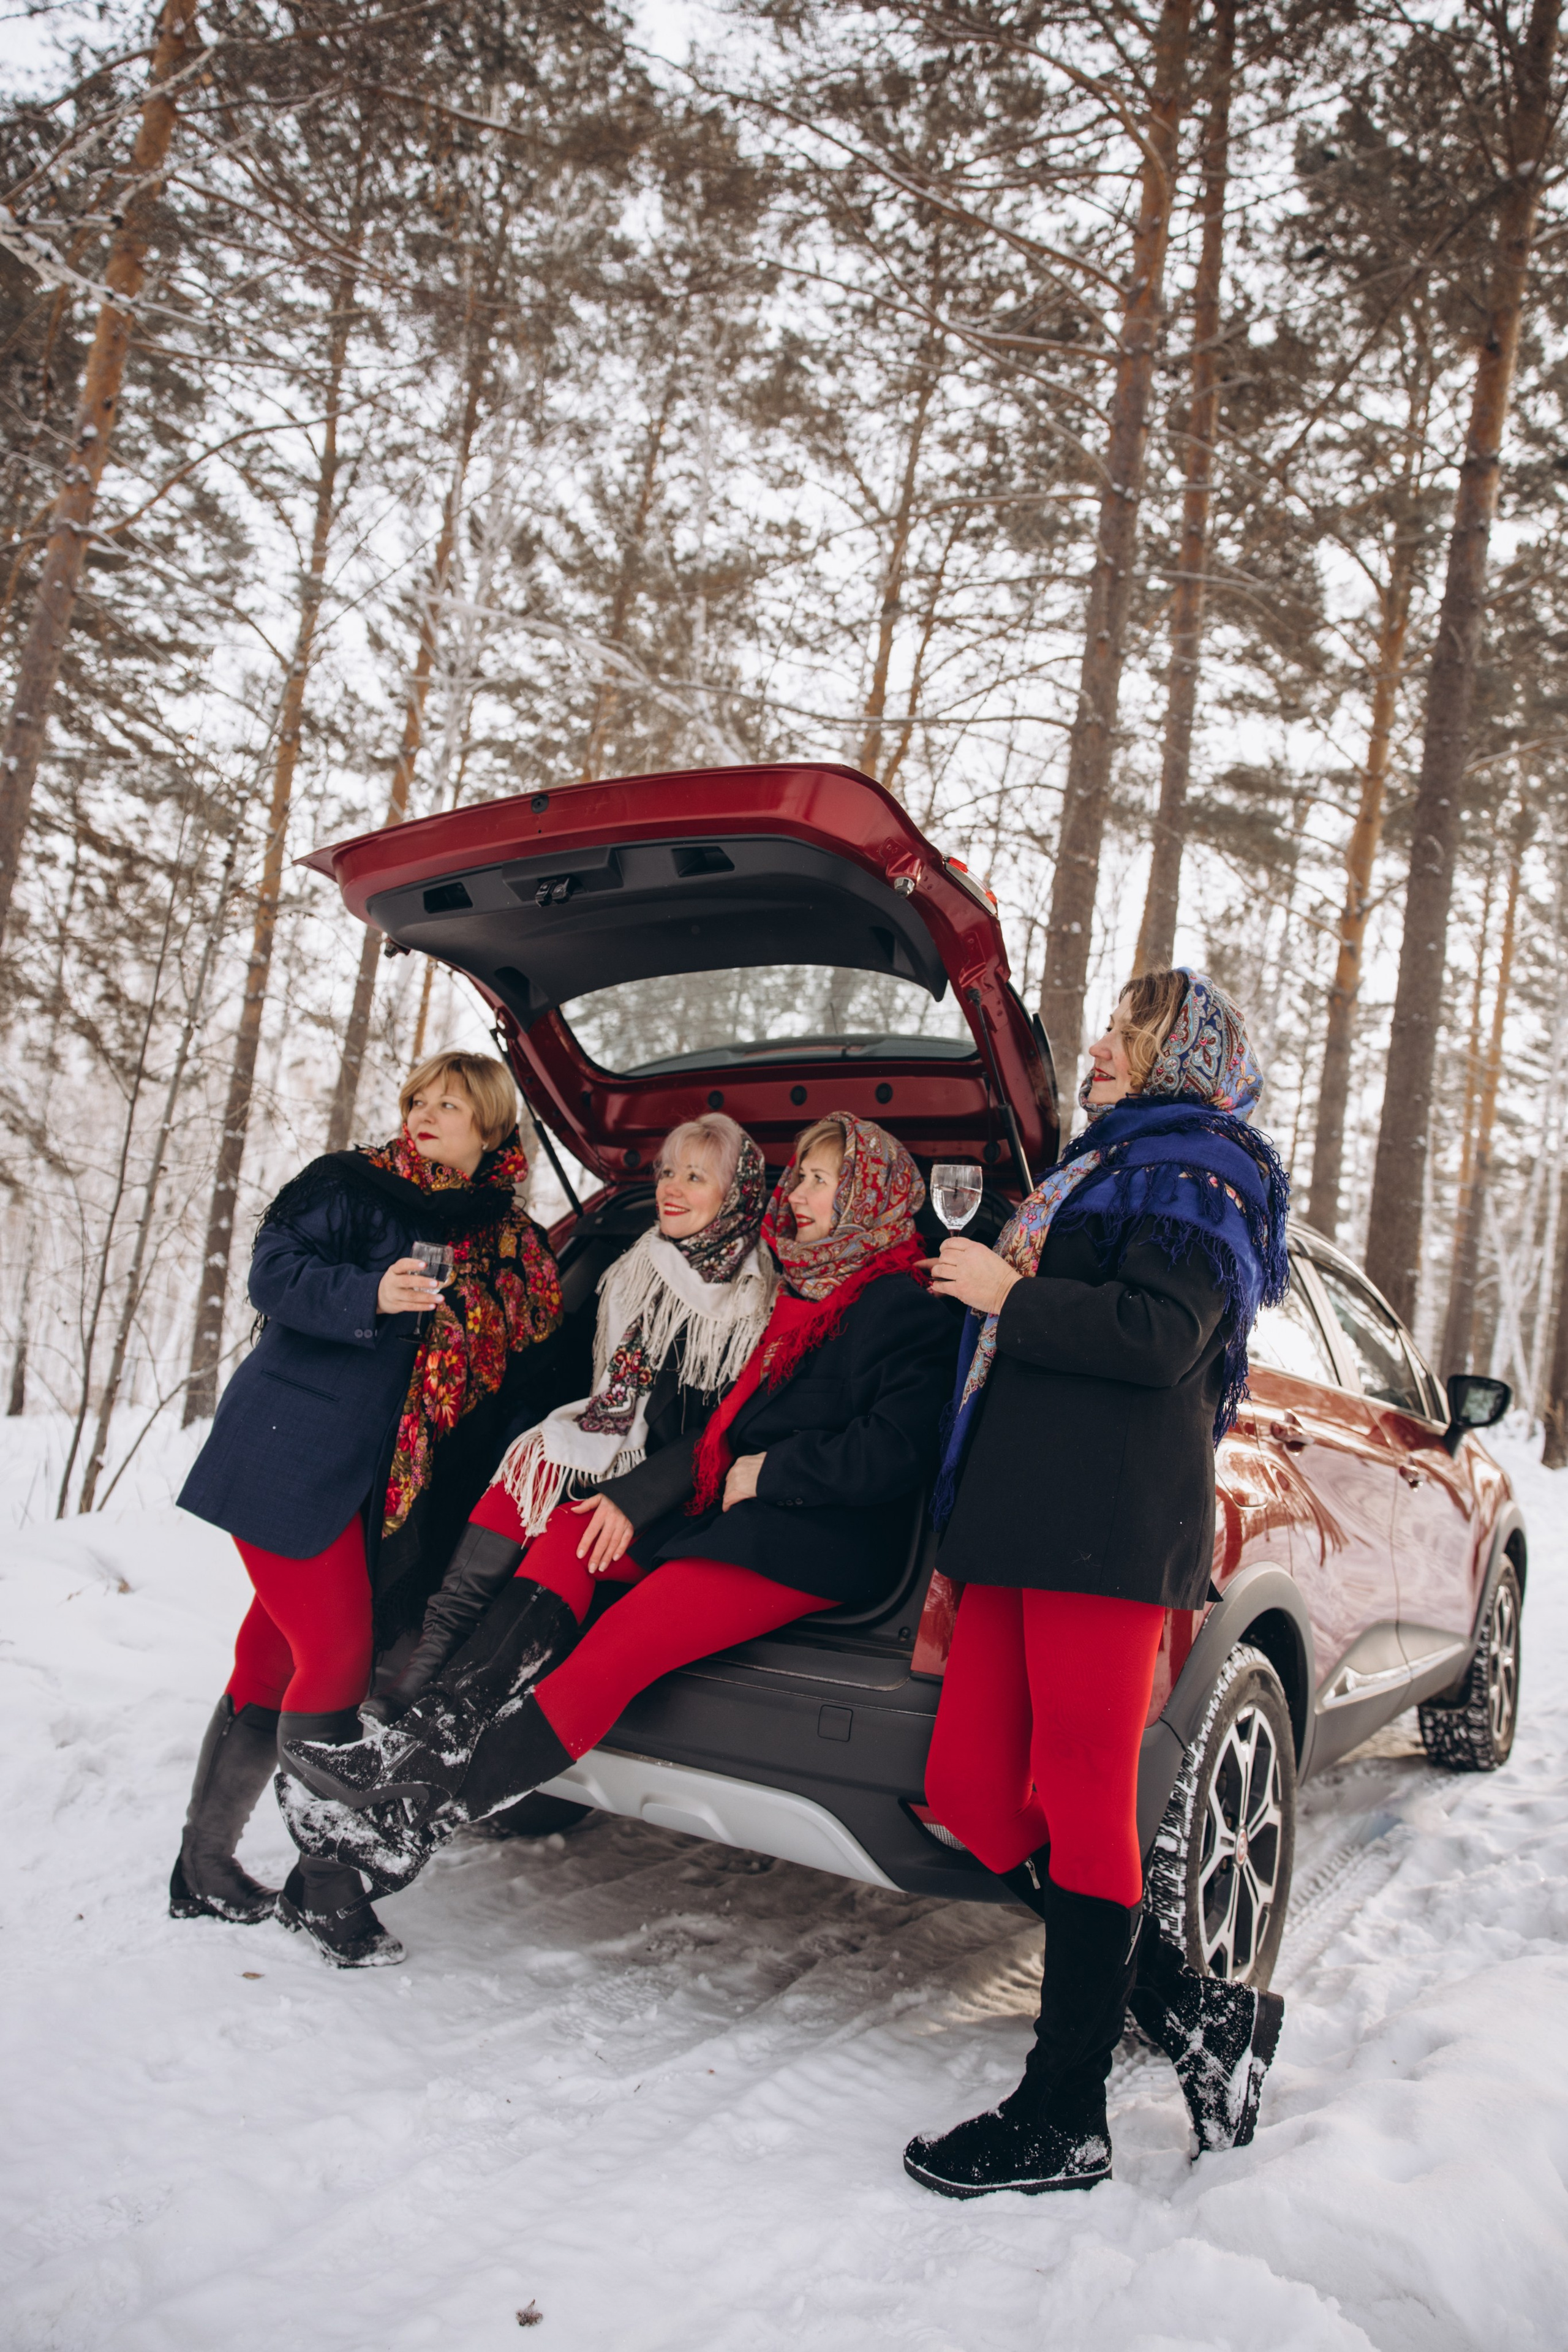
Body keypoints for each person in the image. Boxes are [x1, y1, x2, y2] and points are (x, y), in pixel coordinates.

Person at [276, 1113, 957, 1897]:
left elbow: (898, 1449)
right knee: (573, 1532)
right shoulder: (800, 1284)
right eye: (795, 1174)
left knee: (616, 1649)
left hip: (810, 1537)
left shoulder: (905, 1299)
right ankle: (424, 1740)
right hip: (732, 1510)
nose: (794, 1193)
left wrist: (768, 1473)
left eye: (816, 1180)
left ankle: (415, 1815)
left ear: (868, 1192)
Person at [903, 969, 1292, 2198]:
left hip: (1109, 1522)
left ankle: (1062, 2113)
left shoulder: (1199, 1174)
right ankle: (1189, 2013)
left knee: (1083, 1801)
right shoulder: (1098, 1166)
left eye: (1124, 1035)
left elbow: (1155, 1336)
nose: (1095, 1053)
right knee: (968, 1782)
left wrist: (1012, 1294)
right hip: (1024, 1514)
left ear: (1180, 1053)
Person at [171, 1050, 564, 1966]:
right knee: (338, 1659)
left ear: (494, 1128)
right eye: (418, 1099)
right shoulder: (352, 1186)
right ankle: (326, 1887)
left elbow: (535, 1329)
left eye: (451, 1106)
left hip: (377, 1483)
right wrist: (367, 1294)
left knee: (272, 1656)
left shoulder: (504, 1235)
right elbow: (272, 1272)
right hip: (288, 1453)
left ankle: (202, 1867)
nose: (425, 1114)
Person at [356, 1110, 775, 1732]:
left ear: (735, 1194)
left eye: (694, 1176)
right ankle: (423, 1676)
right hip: (610, 1446)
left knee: (554, 1505)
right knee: (525, 1467)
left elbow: (722, 1433)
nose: (670, 1188)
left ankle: (455, 1698)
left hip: (678, 1490)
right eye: (666, 1172)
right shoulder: (637, 1263)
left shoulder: (756, 1300)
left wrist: (631, 1494)